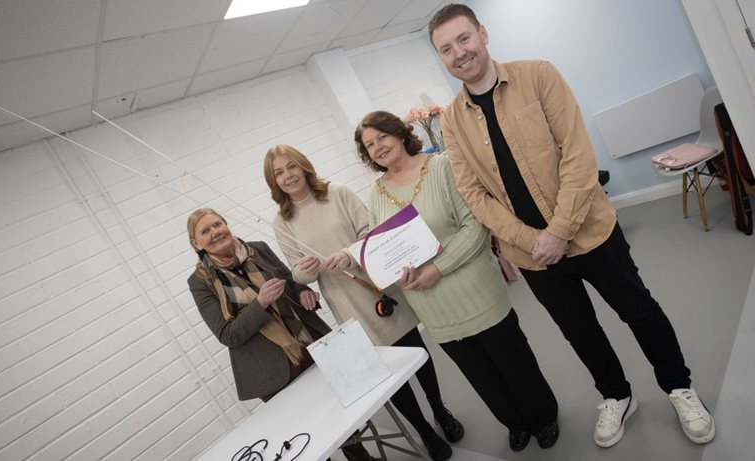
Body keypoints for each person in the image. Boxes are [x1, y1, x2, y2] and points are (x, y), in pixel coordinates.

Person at [428, 3, 716, 448]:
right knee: (580, 332)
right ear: (442, 58)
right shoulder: (452, 120)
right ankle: (617, 395)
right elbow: (474, 196)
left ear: (483, 34)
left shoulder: (538, 75)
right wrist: (532, 241)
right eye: (445, 49)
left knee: (639, 311)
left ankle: (679, 388)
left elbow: (579, 155)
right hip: (535, 257)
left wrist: (559, 230)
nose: (458, 53)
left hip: (590, 232)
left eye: (463, 39)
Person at [350, 111, 559, 452]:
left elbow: (474, 226)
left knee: (513, 362)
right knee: (479, 374)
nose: (377, 148)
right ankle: (513, 422)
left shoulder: (442, 168)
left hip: (475, 289)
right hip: (433, 307)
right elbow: (383, 244)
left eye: (381, 138)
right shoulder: (376, 194)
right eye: (369, 145)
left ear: (400, 134)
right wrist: (394, 272)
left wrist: (437, 269)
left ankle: (543, 416)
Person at [263, 144, 463, 461]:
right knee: (388, 371)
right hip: (346, 303)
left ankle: (440, 409)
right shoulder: (282, 222)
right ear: (273, 181)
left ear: (303, 166)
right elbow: (297, 275)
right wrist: (303, 272)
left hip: (377, 288)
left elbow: (370, 231)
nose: (287, 176)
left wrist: (348, 254)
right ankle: (423, 430)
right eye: (279, 172)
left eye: (291, 167)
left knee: (417, 352)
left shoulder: (337, 192)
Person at [185, 208, 374, 461]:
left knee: (344, 413)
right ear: (196, 243)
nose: (215, 232)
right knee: (311, 433)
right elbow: (227, 335)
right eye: (205, 231)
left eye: (218, 224)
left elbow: (291, 280)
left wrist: (303, 290)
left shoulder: (258, 248)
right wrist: (259, 303)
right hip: (270, 371)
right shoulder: (200, 281)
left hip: (310, 345)